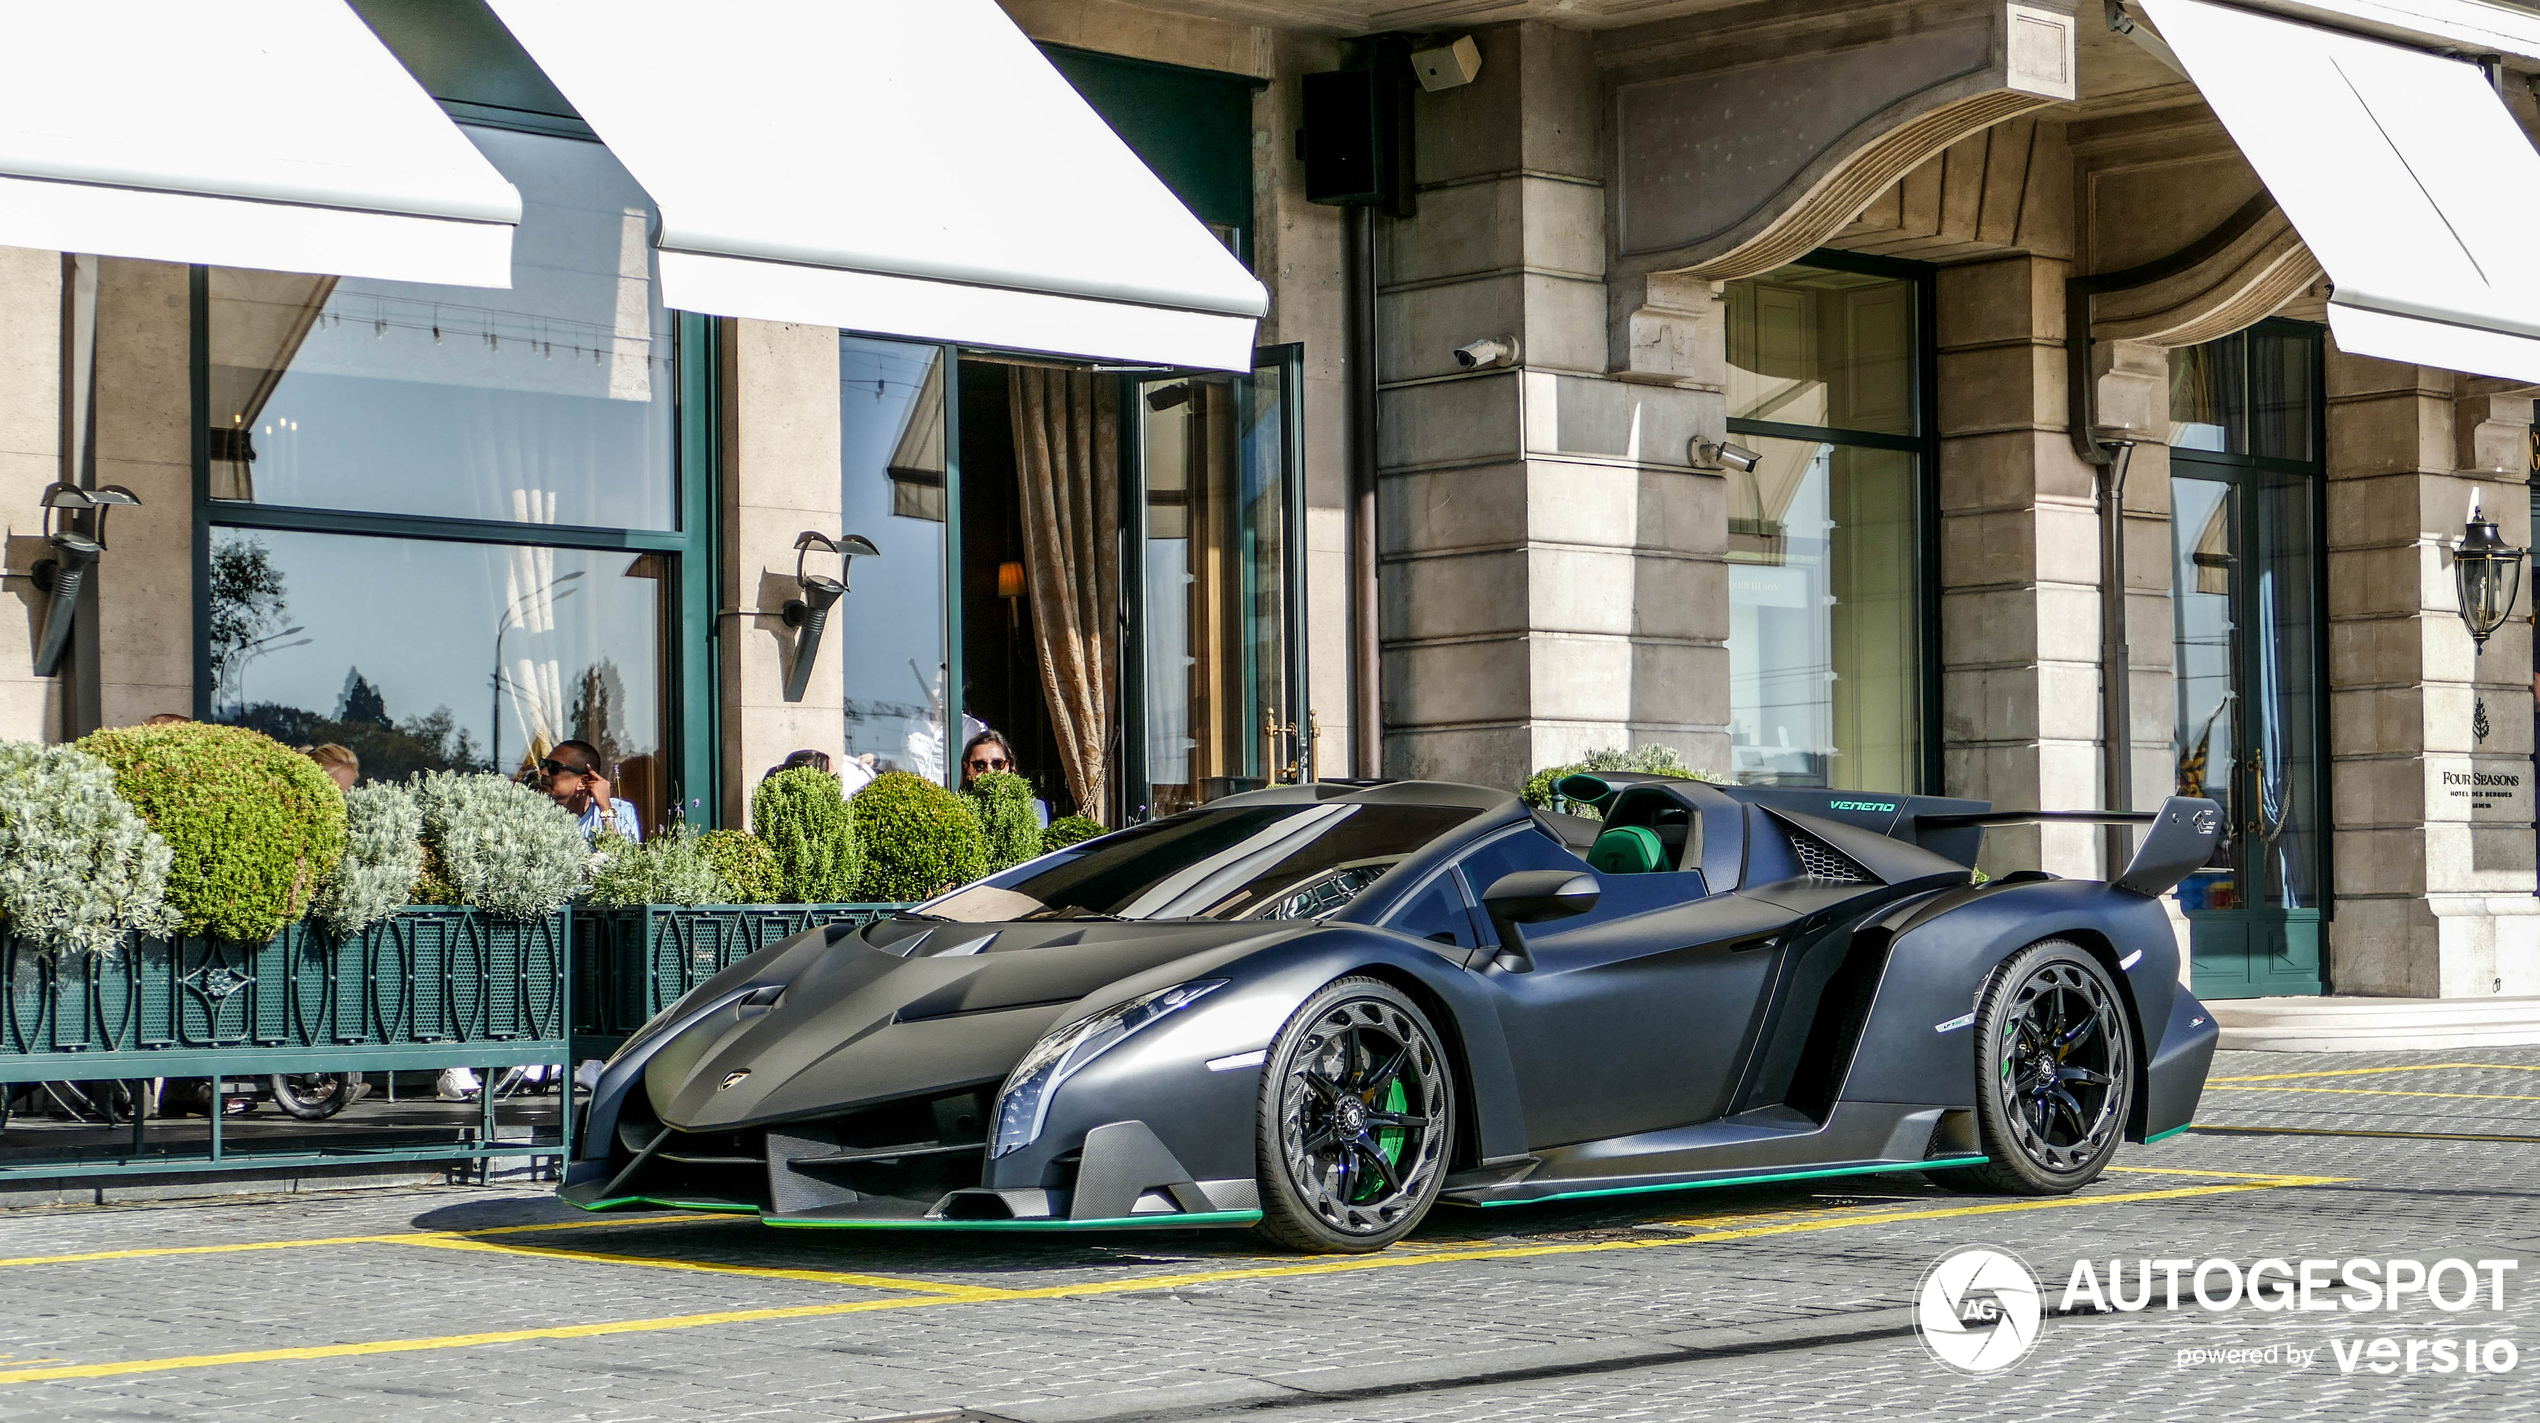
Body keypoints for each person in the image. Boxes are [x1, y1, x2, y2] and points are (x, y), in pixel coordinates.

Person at [542, 739, 641, 842]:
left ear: (583, 782)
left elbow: (623, 856)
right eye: (543, 764)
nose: (543, 772)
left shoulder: (621, 811)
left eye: (553, 768)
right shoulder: (537, 814)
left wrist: (605, 808)